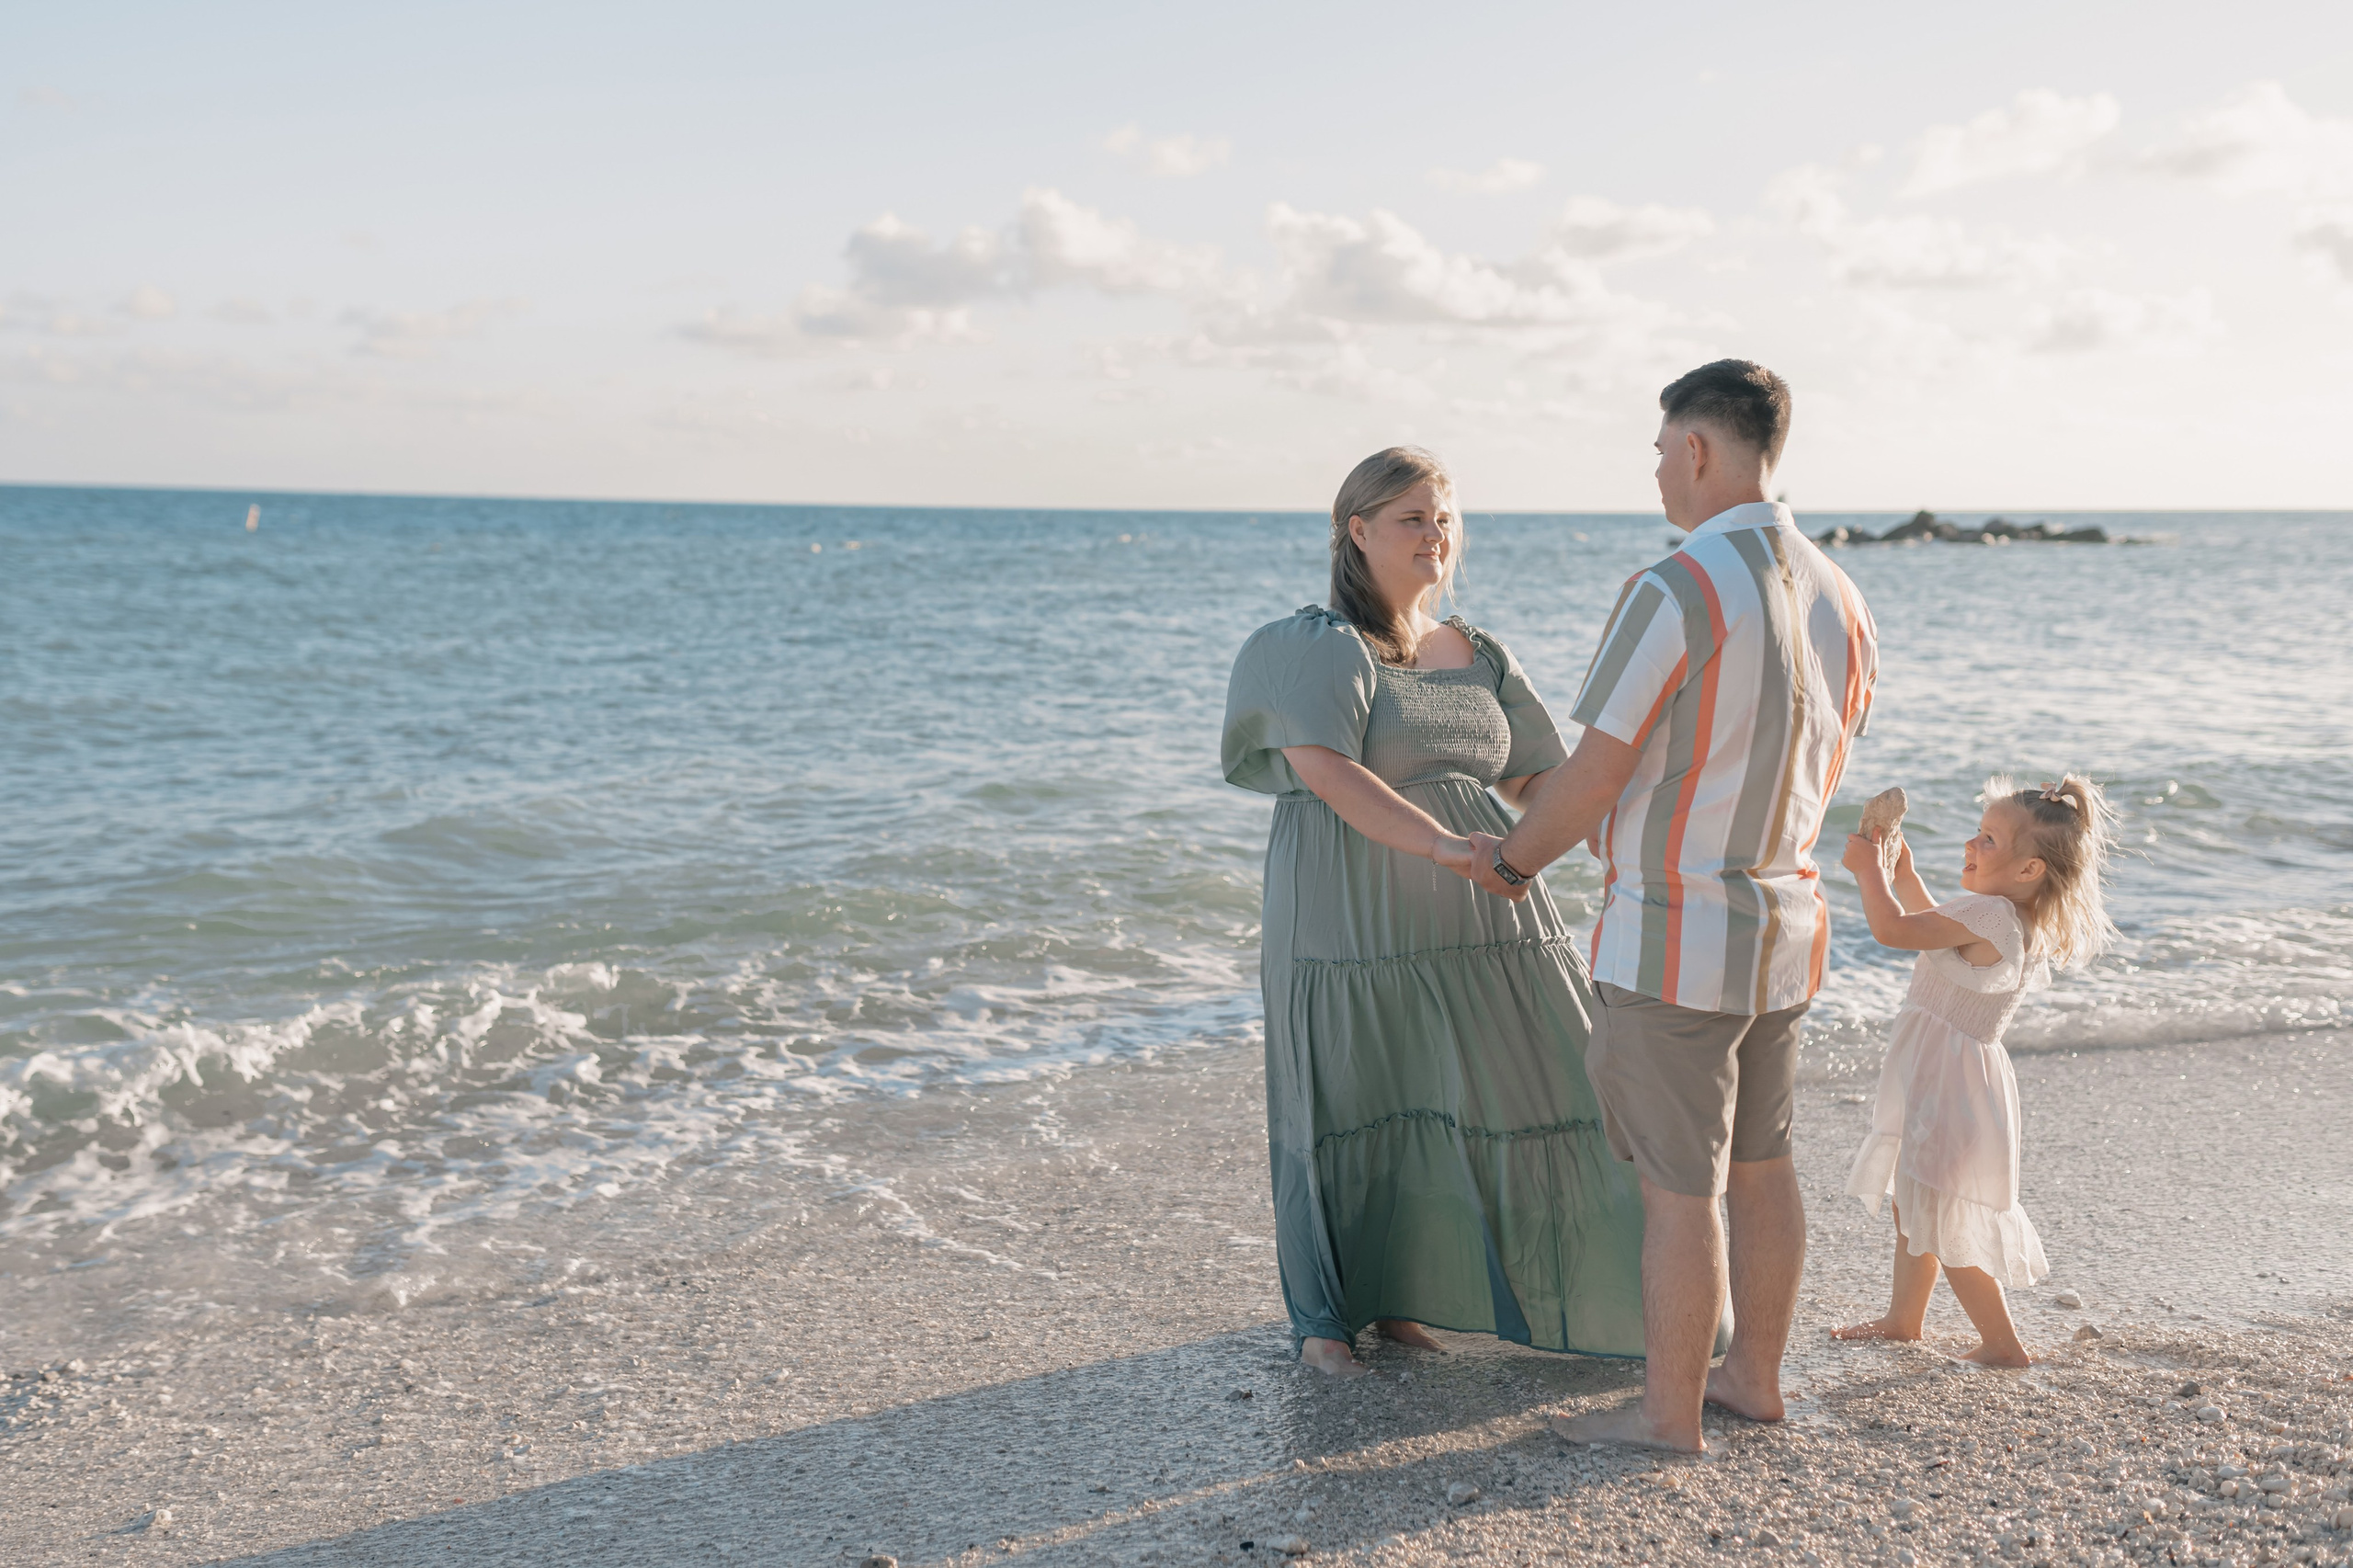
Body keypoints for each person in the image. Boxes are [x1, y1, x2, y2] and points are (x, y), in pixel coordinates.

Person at [1475, 359, 1879, 1452]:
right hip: (1784, 936)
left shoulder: (1677, 587)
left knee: (1675, 1189)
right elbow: (1821, 764)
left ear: (1698, 448)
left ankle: (1665, 1415)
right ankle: (1752, 1379)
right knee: (1762, 1164)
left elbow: (1598, 771)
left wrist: (1512, 859)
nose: (1657, 471)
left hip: (1672, 940)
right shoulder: (1844, 596)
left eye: (1661, 450)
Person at [1221, 446, 1648, 1378]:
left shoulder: (1480, 650)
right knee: (1353, 1095)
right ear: (1357, 530)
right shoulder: (1314, 645)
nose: (1433, 534)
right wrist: (1454, 849)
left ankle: (1461, 1293)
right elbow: (1328, 775)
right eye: (1411, 517)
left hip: (1487, 907)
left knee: (1560, 1080)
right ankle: (1334, 1317)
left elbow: (1543, 777)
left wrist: (1639, 835)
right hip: (1352, 914)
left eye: (1444, 517)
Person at [1833, 776, 2118, 1366]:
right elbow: (1935, 926)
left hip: (1948, 1083)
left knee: (1943, 1215)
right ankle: (1903, 1319)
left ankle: (2002, 1344)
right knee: (1917, 1196)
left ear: (2028, 869)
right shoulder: (2010, 916)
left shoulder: (1989, 914)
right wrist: (1902, 874)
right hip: (1959, 1079)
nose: (1971, 843)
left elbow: (1896, 931)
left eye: (1988, 839)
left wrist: (1869, 873)